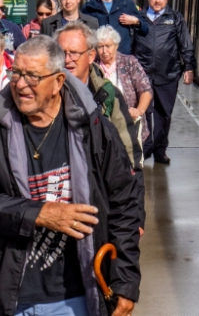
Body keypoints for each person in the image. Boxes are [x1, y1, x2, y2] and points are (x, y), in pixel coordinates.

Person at [0, 36, 142, 316]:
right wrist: (38, 213)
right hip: (10, 296)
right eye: (15, 73)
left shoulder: (93, 128)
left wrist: (125, 281)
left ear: (57, 82)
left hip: (78, 297)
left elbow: (124, 204)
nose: (20, 85)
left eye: (32, 76)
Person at [57, 22, 145, 231]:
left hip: (101, 201)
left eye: (74, 53)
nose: (67, 59)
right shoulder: (45, 94)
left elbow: (130, 156)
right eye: (62, 53)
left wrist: (136, 215)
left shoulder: (108, 95)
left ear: (90, 56)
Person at [133, 0, 195, 164]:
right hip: (142, 75)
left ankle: (160, 149)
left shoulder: (175, 18)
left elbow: (185, 44)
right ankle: (146, 147)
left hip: (167, 74)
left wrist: (188, 67)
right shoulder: (139, 18)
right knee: (144, 112)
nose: (157, 0)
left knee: (164, 114)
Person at [97, 25, 153, 151]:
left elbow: (145, 89)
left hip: (128, 124)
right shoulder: (93, 66)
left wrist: (138, 110)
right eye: (100, 46)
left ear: (116, 45)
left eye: (108, 46)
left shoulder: (129, 62)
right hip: (102, 128)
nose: (104, 51)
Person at [81, 0, 148, 55]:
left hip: (122, 57)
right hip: (99, 58)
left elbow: (145, 29)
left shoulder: (126, 3)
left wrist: (136, 21)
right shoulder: (89, 6)